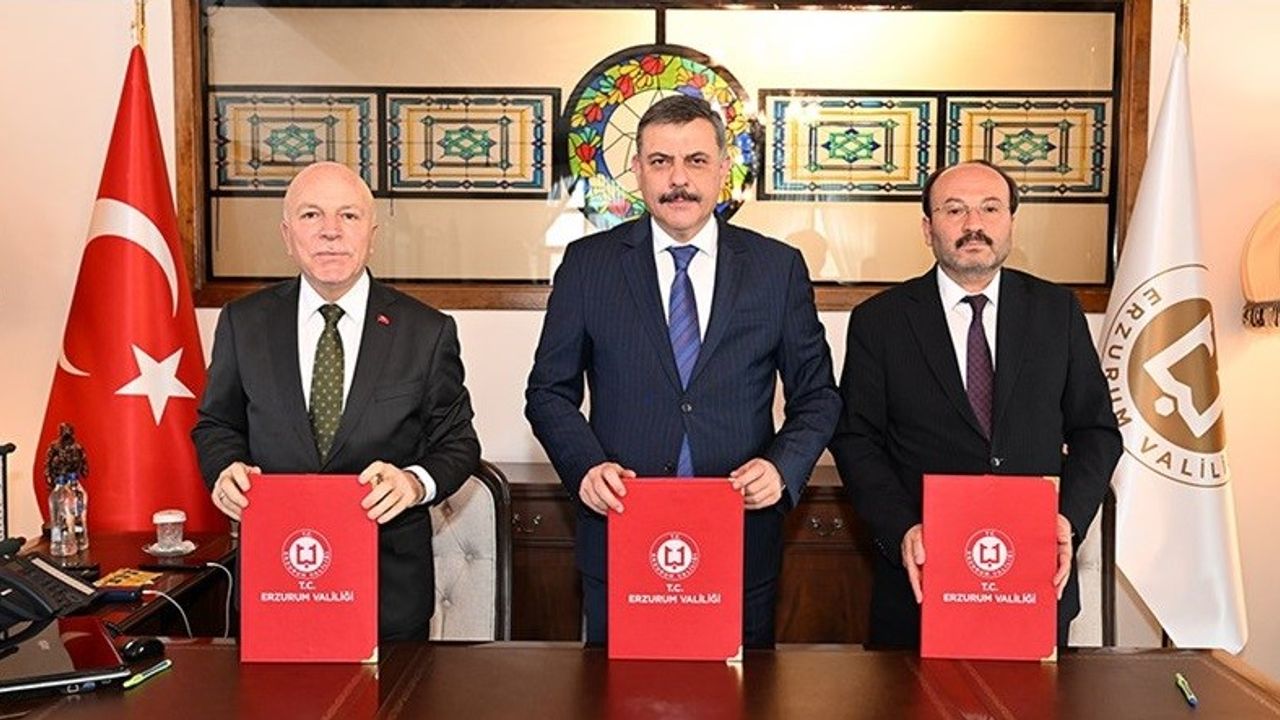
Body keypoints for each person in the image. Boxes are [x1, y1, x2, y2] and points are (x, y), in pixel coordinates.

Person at [525, 94, 840, 648]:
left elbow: (818, 395)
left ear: (723, 169)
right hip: (622, 529)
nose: (678, 180)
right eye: (660, 162)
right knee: (616, 690)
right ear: (637, 171)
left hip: (740, 535)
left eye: (696, 161)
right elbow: (548, 392)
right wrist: (587, 467)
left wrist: (782, 467)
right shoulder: (588, 265)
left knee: (742, 690)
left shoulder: (776, 268)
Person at [829, 160, 1122, 648]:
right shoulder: (880, 321)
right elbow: (856, 440)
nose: (973, 225)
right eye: (954, 210)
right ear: (928, 229)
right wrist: (902, 529)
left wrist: (1066, 520)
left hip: (1033, 577)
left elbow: (1097, 431)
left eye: (990, 208)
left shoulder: (1057, 312)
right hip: (921, 583)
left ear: (1011, 223)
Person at [192, 161, 480, 642]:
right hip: (275, 581)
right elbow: (217, 425)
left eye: (348, 215)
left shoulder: (426, 331)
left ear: (372, 234)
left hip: (388, 595)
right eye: (311, 215)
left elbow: (458, 443)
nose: (330, 231)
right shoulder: (244, 323)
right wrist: (225, 470)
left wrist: (413, 483)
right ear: (287, 235)